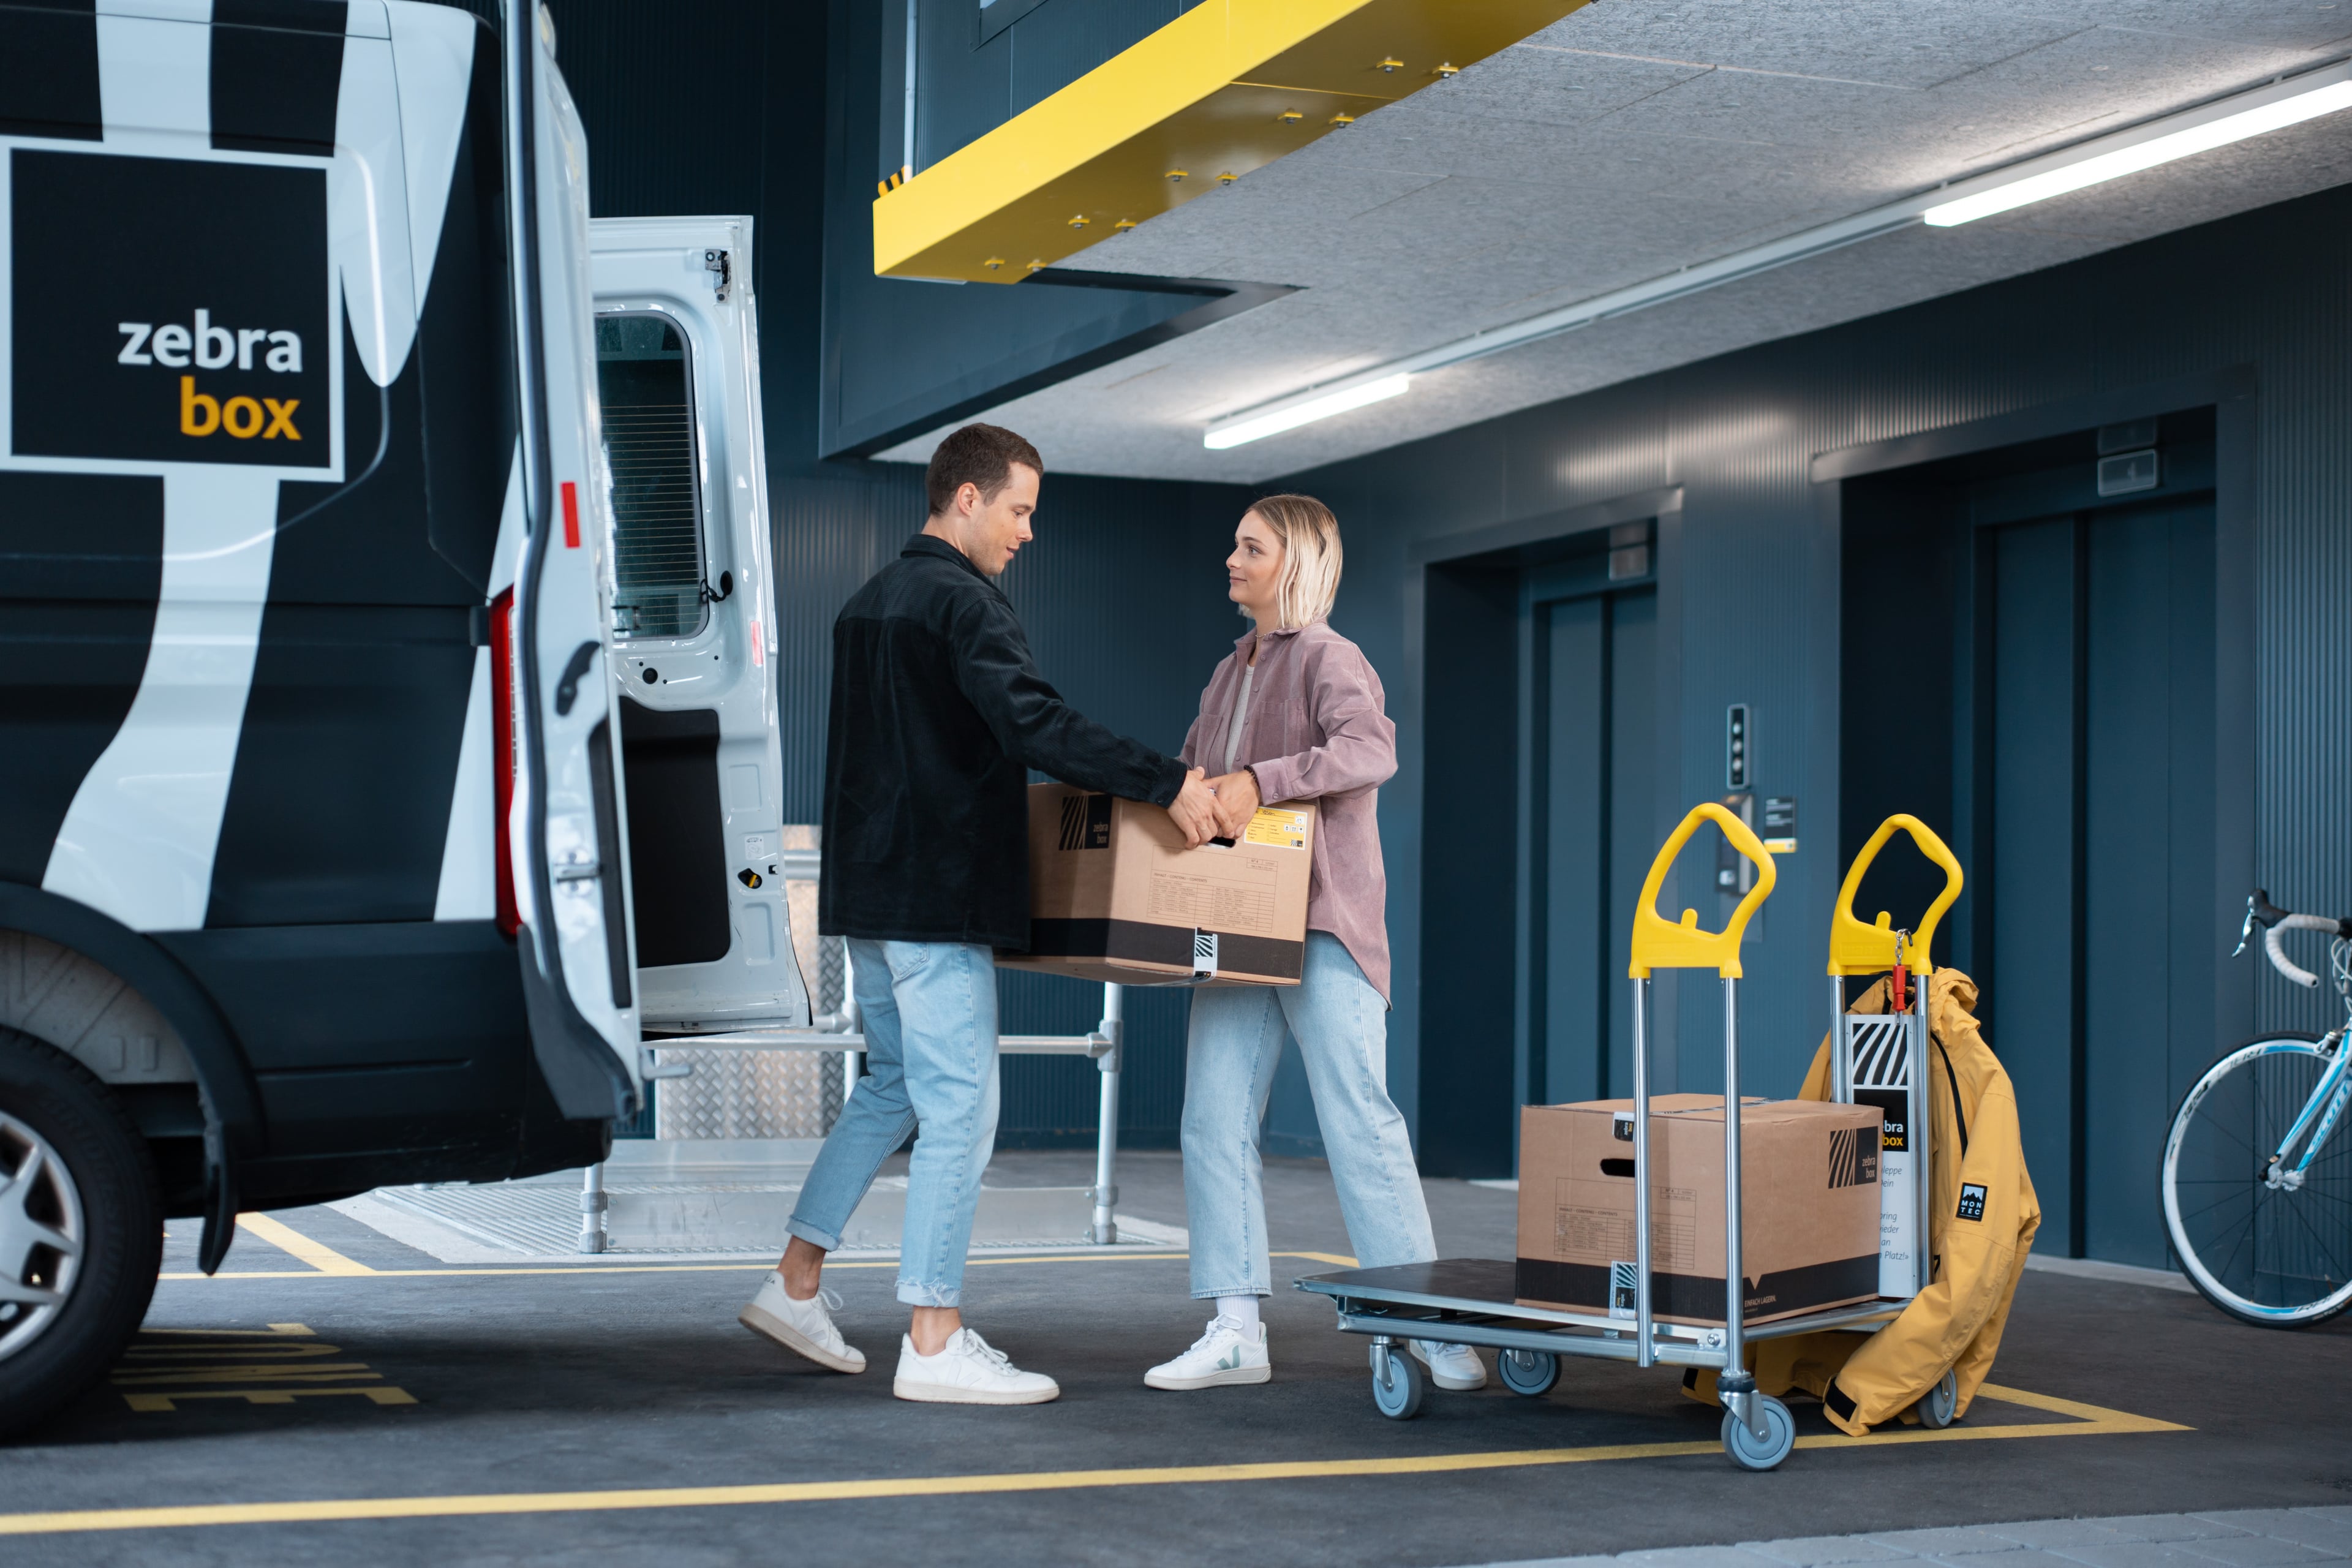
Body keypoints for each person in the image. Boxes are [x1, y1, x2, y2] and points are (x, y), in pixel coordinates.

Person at [738, 424, 1219, 1405]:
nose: (1027, 532)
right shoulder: (965, 604)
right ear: (967, 499)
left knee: (894, 1090)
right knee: (963, 1108)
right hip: (935, 900)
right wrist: (1165, 781)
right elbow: (1034, 722)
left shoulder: (868, 604)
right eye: (1019, 509)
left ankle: (795, 1282)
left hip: (869, 898)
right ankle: (933, 1336)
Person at [1143, 494, 1485, 1393]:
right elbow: (1195, 775)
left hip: (1325, 922)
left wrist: (1265, 781)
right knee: (1212, 1118)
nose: (1230, 560)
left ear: (1292, 562)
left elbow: (1370, 750)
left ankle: (1431, 1320)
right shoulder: (1228, 672)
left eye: (1249, 548)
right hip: (1240, 925)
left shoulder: (1333, 658)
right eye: (1233, 545)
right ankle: (1234, 1328)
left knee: (1358, 1118)